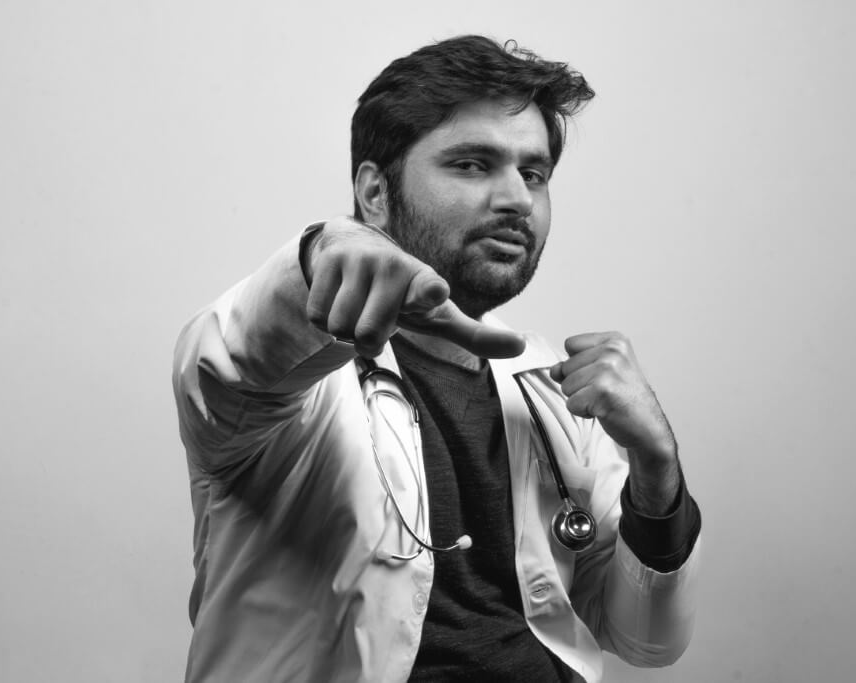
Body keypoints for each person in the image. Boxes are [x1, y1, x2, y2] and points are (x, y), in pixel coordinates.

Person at [172, 35, 701, 683]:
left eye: (533, 174)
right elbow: (223, 360)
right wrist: (322, 254)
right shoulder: (292, 388)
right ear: (375, 193)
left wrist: (657, 466)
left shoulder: (551, 388)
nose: (517, 198)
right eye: (473, 164)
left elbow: (645, 638)